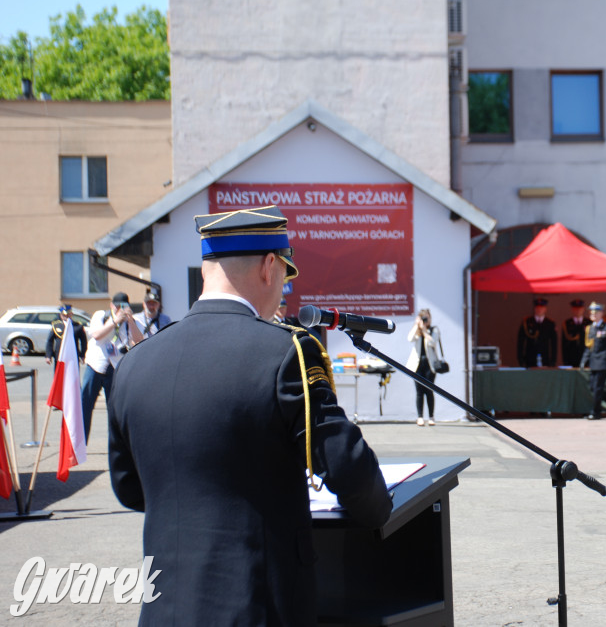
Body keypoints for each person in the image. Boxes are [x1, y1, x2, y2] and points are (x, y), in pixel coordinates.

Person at [107, 205, 392, 625]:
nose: (283, 292)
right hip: (258, 605)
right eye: (284, 279)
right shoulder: (284, 352)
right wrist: (377, 509)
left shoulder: (135, 362)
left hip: (163, 611)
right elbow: (351, 472)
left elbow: (130, 489)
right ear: (269, 267)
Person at [81, 292, 142, 442]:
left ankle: (115, 444)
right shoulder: (101, 315)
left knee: (114, 409)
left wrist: (130, 321)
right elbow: (96, 335)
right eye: (117, 306)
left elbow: (138, 340)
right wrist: (115, 321)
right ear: (111, 305)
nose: (120, 309)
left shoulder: (131, 320)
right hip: (96, 365)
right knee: (85, 404)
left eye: (124, 306)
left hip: (115, 367)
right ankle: (80, 442)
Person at [406, 308, 442, 426]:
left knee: (429, 390)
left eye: (427, 318)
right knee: (419, 391)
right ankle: (420, 417)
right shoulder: (417, 331)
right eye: (423, 318)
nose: (426, 320)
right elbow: (410, 339)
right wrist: (417, 326)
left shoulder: (433, 330)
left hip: (429, 365)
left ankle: (431, 417)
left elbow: (432, 342)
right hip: (417, 365)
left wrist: (425, 330)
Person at [516, 297, 557, 367]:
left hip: (545, 360)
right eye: (537, 307)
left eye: (541, 308)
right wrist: (521, 359)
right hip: (529, 360)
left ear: (545, 309)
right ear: (534, 308)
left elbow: (554, 344)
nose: (539, 310)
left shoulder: (550, 323)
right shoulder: (527, 322)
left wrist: (553, 361)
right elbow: (520, 342)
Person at [561, 299, 588, 368]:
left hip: (586, 358)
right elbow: (564, 344)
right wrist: (565, 361)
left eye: (580, 308)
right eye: (576, 308)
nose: (578, 310)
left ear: (583, 309)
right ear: (572, 309)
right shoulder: (566, 324)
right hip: (571, 358)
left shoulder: (588, 323)